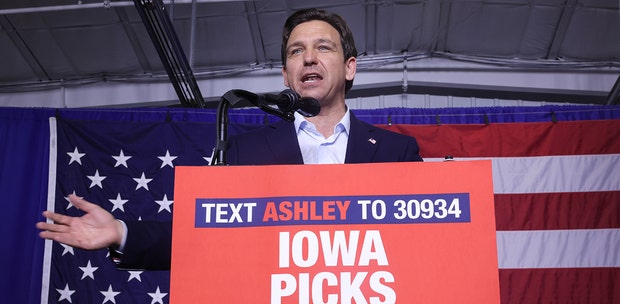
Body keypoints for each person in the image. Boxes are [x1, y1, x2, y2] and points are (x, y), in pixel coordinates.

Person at [36, 8, 423, 270]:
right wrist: (121, 232)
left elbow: (428, 243)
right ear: (286, 76)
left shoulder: (396, 152)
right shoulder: (246, 151)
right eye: (296, 51)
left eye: (324, 48)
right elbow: (200, 235)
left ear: (350, 67)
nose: (309, 59)